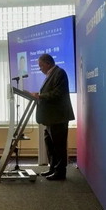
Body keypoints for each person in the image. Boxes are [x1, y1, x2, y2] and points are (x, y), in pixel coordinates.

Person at [30, 53, 75, 181]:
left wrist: (40, 96)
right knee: (50, 145)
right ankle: (53, 168)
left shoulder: (60, 73)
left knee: (58, 146)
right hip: (50, 118)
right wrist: (39, 95)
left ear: (48, 63)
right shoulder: (50, 75)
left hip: (58, 117)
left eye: (41, 66)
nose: (40, 69)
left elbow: (58, 93)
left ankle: (60, 172)